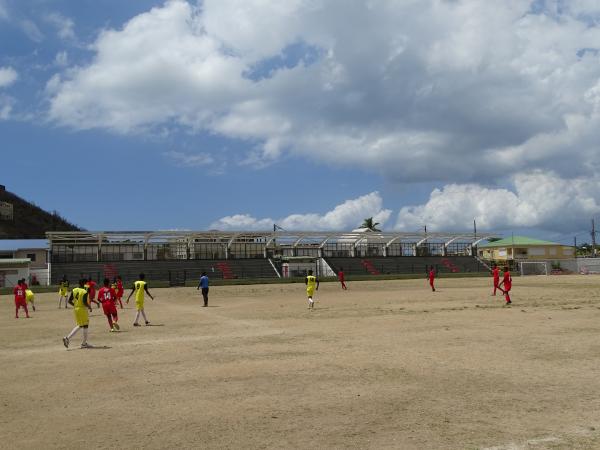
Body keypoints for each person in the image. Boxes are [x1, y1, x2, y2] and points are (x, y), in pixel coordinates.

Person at [62, 279, 93, 348]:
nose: (86, 284)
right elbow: (85, 302)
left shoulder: (74, 290)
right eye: (85, 283)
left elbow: (69, 301)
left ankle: (67, 338)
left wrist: (75, 305)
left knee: (80, 325)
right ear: (83, 283)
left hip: (76, 309)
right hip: (82, 309)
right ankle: (84, 343)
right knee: (85, 325)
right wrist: (89, 307)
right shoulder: (84, 291)